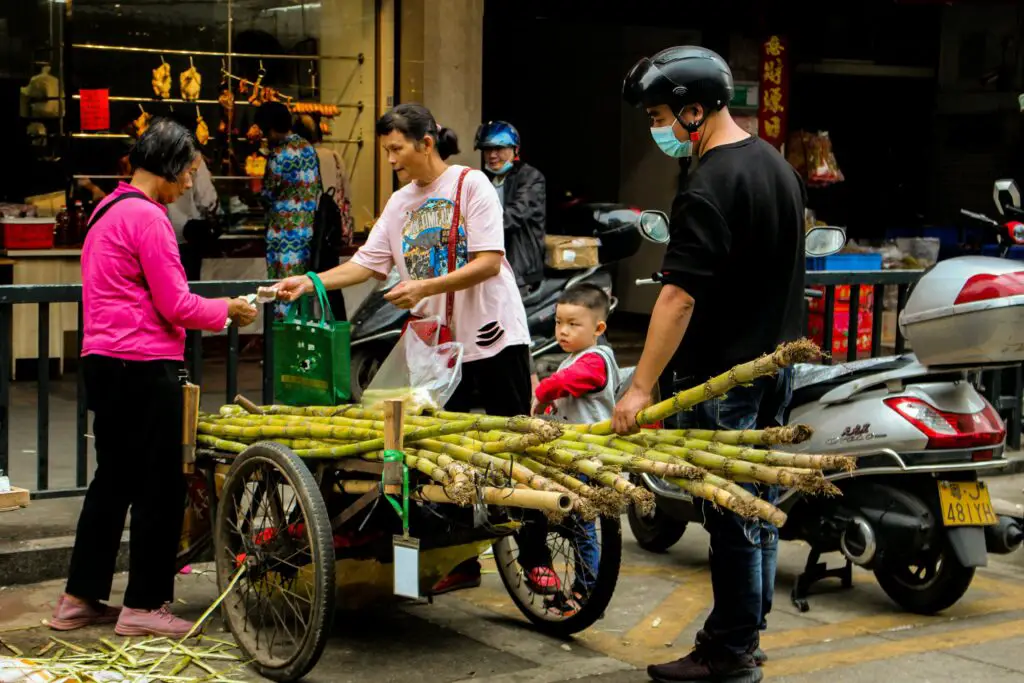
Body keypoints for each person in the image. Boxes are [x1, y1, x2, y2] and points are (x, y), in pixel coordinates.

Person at [273, 103, 533, 591]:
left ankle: (536, 556)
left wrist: (423, 289)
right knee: (417, 460)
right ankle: (441, 567)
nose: (391, 159)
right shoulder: (399, 204)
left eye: (396, 148)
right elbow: (368, 265)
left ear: (425, 143)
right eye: (387, 150)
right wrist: (310, 283)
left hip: (492, 341)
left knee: (513, 452)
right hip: (435, 352)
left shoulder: (469, 185)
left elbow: (489, 262)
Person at [615, 46, 806, 683]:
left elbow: (678, 295)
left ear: (695, 111)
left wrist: (638, 388)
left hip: (726, 378)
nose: (657, 128)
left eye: (660, 115)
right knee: (755, 506)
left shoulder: (709, 184)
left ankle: (726, 652)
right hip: (771, 368)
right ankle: (747, 636)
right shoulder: (776, 167)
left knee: (729, 514)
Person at [50, 119, 257, 638]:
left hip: (103, 361)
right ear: (167, 167)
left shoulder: (107, 209)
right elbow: (176, 303)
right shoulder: (148, 218)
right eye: (187, 172)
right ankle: (145, 603)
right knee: (160, 486)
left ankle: (79, 597)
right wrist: (227, 309)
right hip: (143, 365)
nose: (189, 184)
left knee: (112, 482)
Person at [524, 284, 620, 613]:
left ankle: (586, 590)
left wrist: (542, 393)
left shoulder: (595, 360)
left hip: (589, 456)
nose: (563, 331)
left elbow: (566, 383)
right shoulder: (575, 357)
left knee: (582, 525)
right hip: (573, 453)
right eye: (558, 322)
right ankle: (584, 585)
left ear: (599, 328)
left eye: (573, 324)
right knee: (576, 522)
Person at [255, 101, 321, 319]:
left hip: (284, 234)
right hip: (307, 231)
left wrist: (255, 196)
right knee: (303, 288)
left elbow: (268, 193)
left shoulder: (279, 154)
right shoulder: (308, 148)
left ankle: (283, 336)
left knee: (282, 289)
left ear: (270, 128)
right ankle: (301, 333)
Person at [474, 120, 546, 288]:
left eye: (499, 149)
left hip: (520, 270)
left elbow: (514, 215)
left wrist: (474, 226)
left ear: (515, 150)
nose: (492, 155)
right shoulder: (484, 178)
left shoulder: (530, 177)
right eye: (487, 149)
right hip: (489, 265)